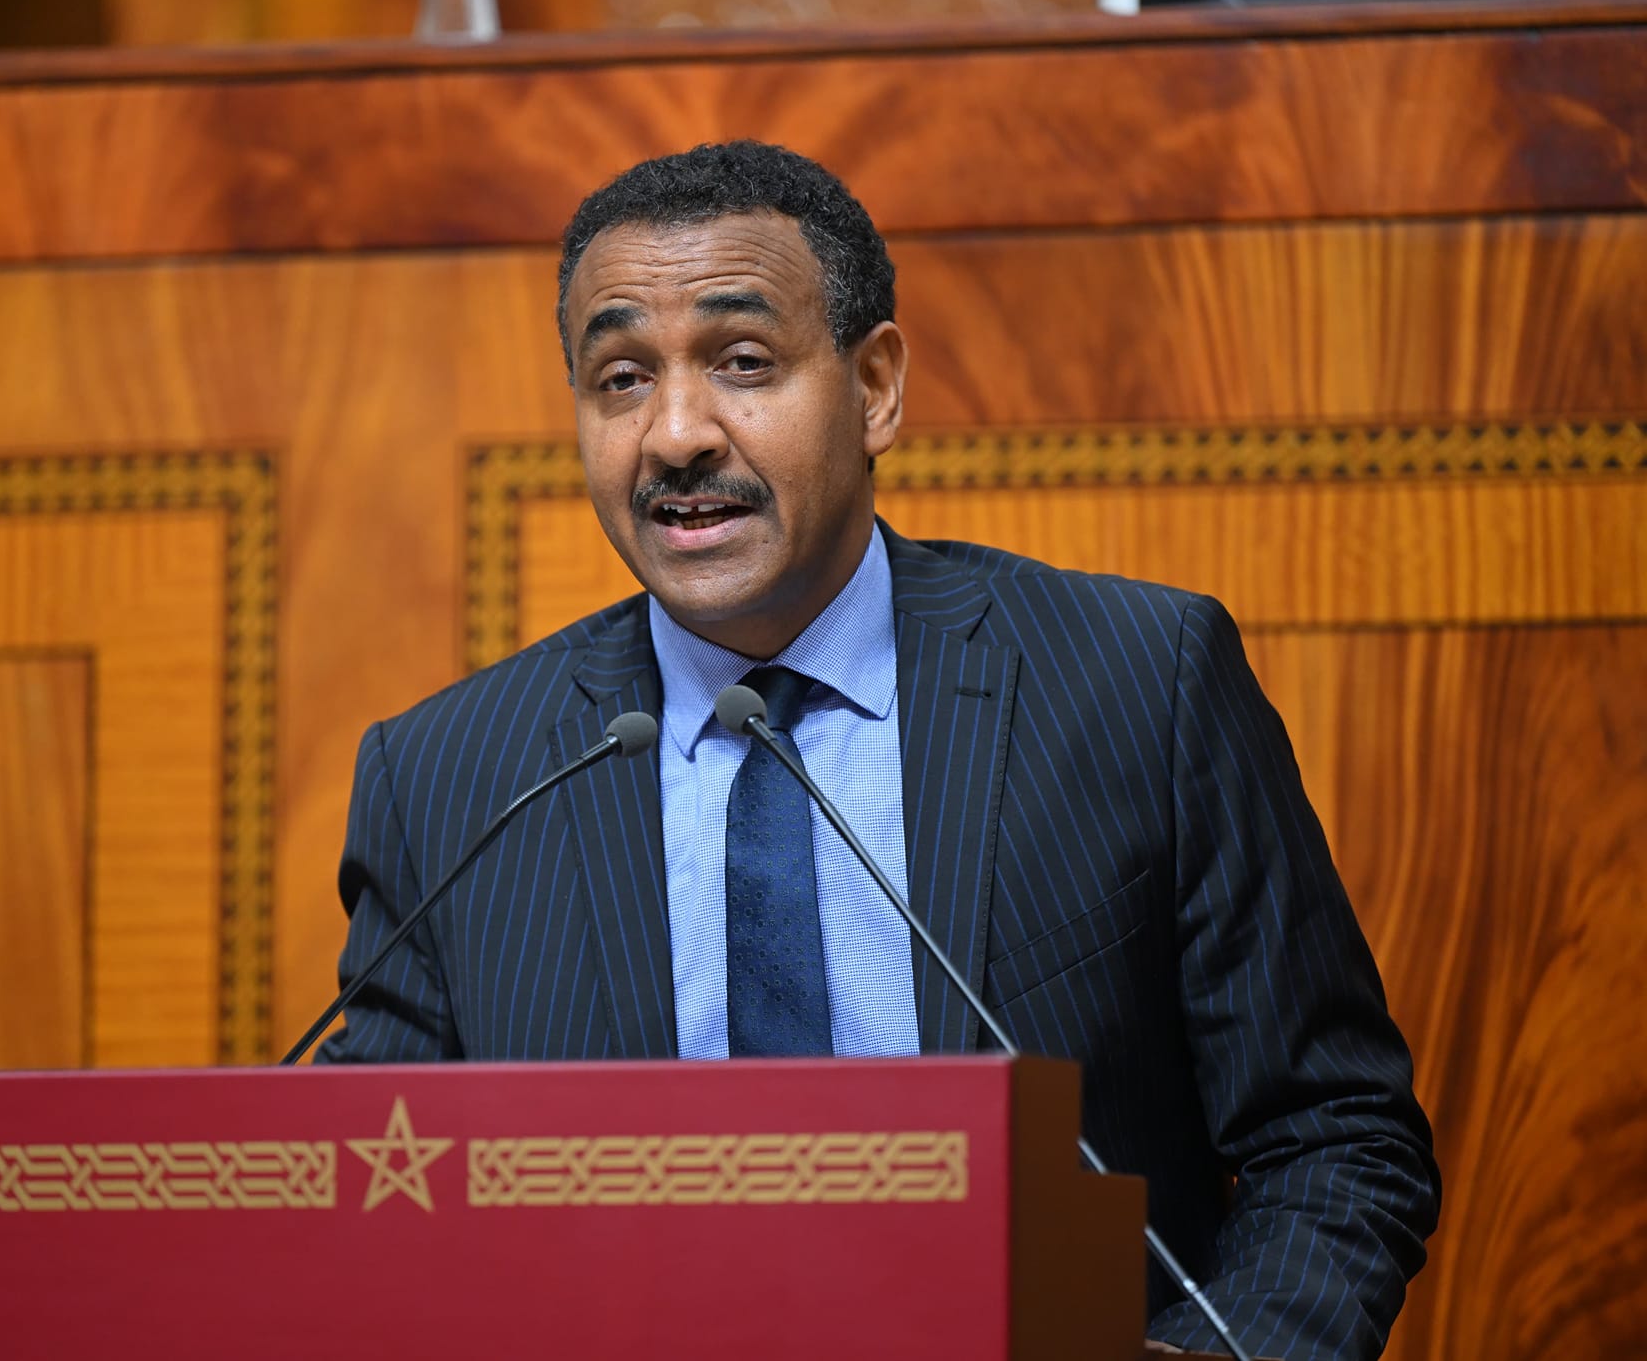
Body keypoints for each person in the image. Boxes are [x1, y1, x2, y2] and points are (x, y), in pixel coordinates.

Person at [318, 140, 1439, 1360]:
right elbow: (371, 1223)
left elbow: (1331, 1138)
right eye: (620, 378)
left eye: (742, 362)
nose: (674, 434)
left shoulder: (1134, 682)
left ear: (875, 388)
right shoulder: (449, 783)